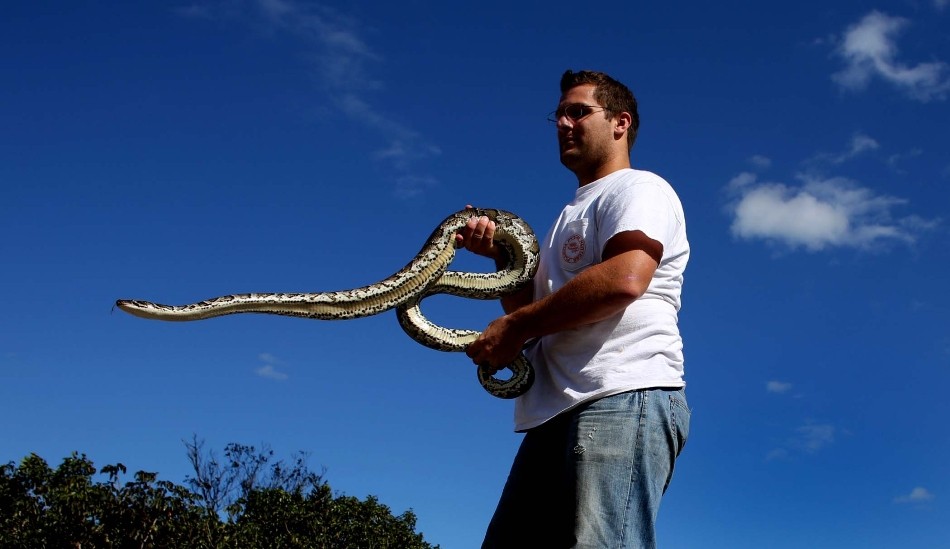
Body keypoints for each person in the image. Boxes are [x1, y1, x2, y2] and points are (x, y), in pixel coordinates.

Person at [456, 70, 691, 548]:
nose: (562, 123)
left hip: (622, 394)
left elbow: (625, 279)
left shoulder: (639, 189)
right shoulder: (567, 216)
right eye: (558, 114)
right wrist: (505, 259)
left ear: (621, 123)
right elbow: (537, 313)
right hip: (553, 411)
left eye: (578, 112)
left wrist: (514, 326)